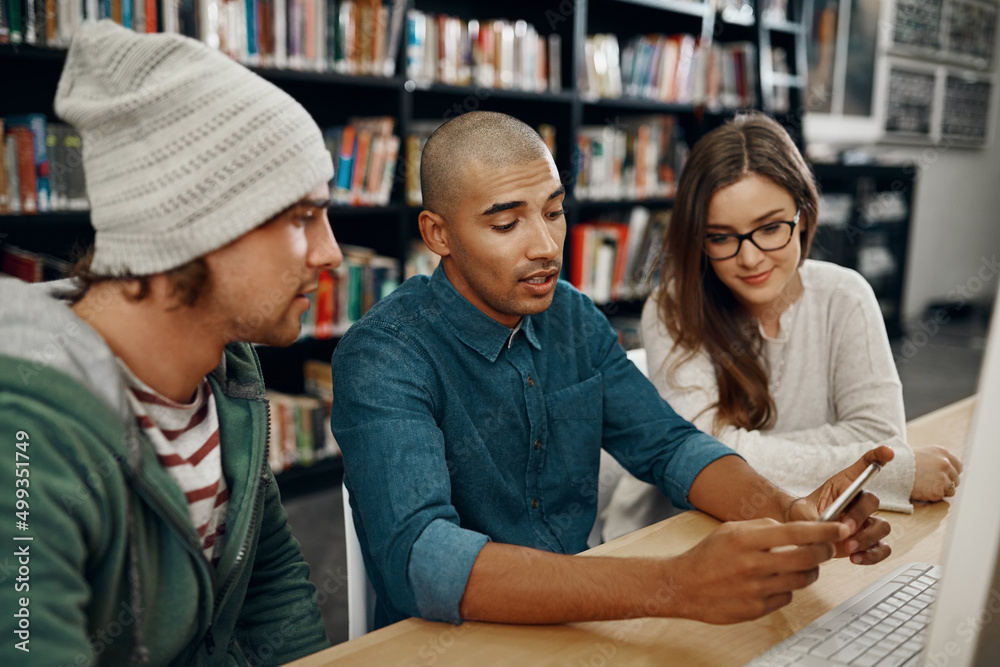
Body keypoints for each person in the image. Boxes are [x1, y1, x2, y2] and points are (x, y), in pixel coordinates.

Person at [330, 110, 894, 631]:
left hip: (580, 615)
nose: (547, 246)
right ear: (438, 235)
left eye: (554, 212)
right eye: (507, 226)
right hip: (452, 640)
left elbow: (670, 446)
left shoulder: (572, 315)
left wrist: (787, 513)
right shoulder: (384, 356)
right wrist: (673, 585)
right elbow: (421, 561)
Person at [0, 21, 342, 665]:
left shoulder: (227, 376)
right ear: (195, 229)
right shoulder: (25, 423)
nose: (331, 254)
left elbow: (272, 594)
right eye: (302, 217)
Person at [602, 113, 962, 541]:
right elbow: (699, 457)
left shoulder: (845, 296)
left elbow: (879, 439)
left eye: (770, 228)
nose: (750, 258)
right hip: (679, 533)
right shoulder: (673, 307)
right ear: (698, 239)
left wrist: (739, 445)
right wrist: (896, 471)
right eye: (721, 237)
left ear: (805, 216)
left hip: (806, 528)